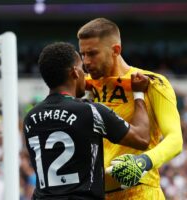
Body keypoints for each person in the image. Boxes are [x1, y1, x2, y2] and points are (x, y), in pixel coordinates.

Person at [23, 42, 152, 200]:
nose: (86, 74)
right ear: (75, 73)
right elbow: (142, 137)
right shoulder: (90, 111)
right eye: (83, 69)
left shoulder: (31, 118)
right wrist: (138, 94)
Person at [77, 18, 183, 199]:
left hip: (140, 191)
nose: (86, 62)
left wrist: (143, 162)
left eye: (92, 54)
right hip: (98, 193)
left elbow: (175, 140)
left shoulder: (152, 83)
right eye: (83, 54)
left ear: (115, 50)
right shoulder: (84, 85)